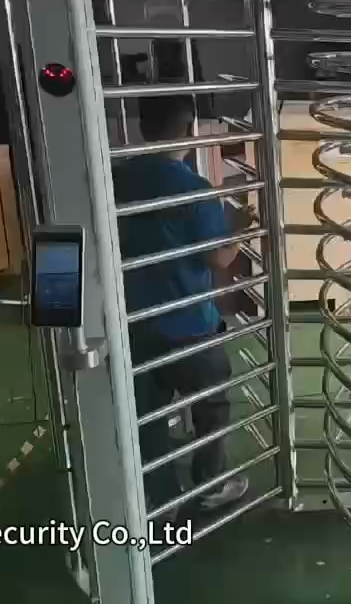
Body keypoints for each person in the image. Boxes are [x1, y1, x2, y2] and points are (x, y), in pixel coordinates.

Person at [112, 95, 251, 515]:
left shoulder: (115, 178)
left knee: (149, 413)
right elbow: (218, 258)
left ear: (142, 129)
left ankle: (160, 497)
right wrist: (241, 229)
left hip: (134, 321)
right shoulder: (193, 188)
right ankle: (210, 483)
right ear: (191, 130)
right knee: (210, 403)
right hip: (189, 323)